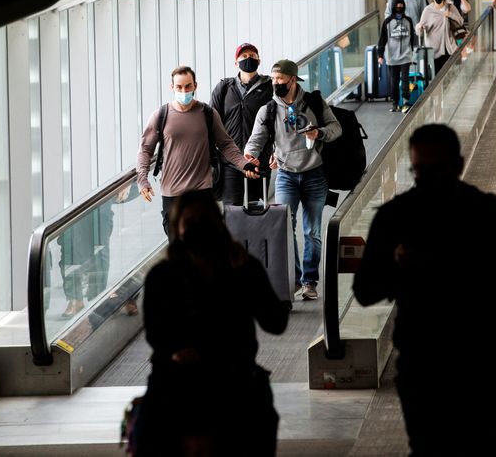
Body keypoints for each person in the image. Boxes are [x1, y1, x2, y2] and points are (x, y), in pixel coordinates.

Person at [353, 124, 496, 454]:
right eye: (418, 171)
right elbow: (365, 290)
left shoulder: (489, 213)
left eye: (434, 170)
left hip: (480, 363)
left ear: (458, 165)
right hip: (428, 364)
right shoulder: (398, 217)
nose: (425, 180)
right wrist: (396, 265)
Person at [134, 190, 289, 456]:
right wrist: (177, 352)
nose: (198, 229)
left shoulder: (241, 267)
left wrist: (248, 275)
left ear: (218, 224)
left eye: (204, 220)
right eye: (190, 222)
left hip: (233, 379)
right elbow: (156, 331)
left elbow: (276, 321)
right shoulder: (163, 276)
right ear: (177, 228)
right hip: (179, 379)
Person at [244, 59, 342, 301]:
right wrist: (249, 156)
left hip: (315, 174)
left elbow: (336, 128)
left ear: (293, 80)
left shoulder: (314, 102)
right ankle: (295, 278)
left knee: (313, 232)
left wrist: (319, 133)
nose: (276, 83)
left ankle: (310, 281)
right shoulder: (268, 110)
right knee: (286, 229)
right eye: (274, 79)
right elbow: (256, 140)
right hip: (286, 175)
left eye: (280, 79)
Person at [136, 66, 259, 238]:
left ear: (195, 86)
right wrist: (142, 179)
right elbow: (145, 149)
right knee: (179, 253)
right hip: (172, 194)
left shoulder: (207, 113)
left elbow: (226, 144)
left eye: (187, 86)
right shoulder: (161, 115)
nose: (183, 91)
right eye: (179, 87)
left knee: (203, 252)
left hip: (202, 192)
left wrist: (244, 164)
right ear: (172, 87)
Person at [211, 43, 274, 205]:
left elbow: (277, 122)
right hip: (230, 161)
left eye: (252, 56)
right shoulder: (224, 88)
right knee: (232, 211)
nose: (248, 59)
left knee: (256, 211)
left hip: (258, 160)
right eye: (244, 57)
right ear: (236, 62)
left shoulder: (269, 87)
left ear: (259, 61)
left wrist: (273, 151)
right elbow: (211, 122)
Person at [377, 0, 418, 113]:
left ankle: (406, 102)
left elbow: (412, 38)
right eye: (397, 5)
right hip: (392, 56)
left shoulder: (408, 20)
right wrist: (380, 55)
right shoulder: (387, 22)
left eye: (401, 5)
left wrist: (413, 52)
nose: (399, 7)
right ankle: (395, 103)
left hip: (405, 55)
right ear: (393, 7)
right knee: (393, 81)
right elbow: (382, 39)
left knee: (405, 79)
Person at [416, 0, 464, 74]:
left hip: (449, 46)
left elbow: (461, 21)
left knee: (450, 74)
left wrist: (450, 15)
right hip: (434, 48)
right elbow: (420, 29)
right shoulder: (428, 10)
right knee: (436, 75)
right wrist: (420, 27)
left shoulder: (450, 7)